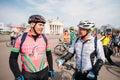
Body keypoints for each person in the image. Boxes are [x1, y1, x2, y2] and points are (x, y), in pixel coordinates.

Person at [9, 15, 54, 80]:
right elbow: (13, 58)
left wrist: (51, 68)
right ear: (32, 24)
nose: (42, 27)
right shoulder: (20, 38)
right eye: (40, 25)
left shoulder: (45, 38)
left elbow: (49, 54)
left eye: (43, 25)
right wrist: (17, 74)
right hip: (28, 74)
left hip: (44, 72)